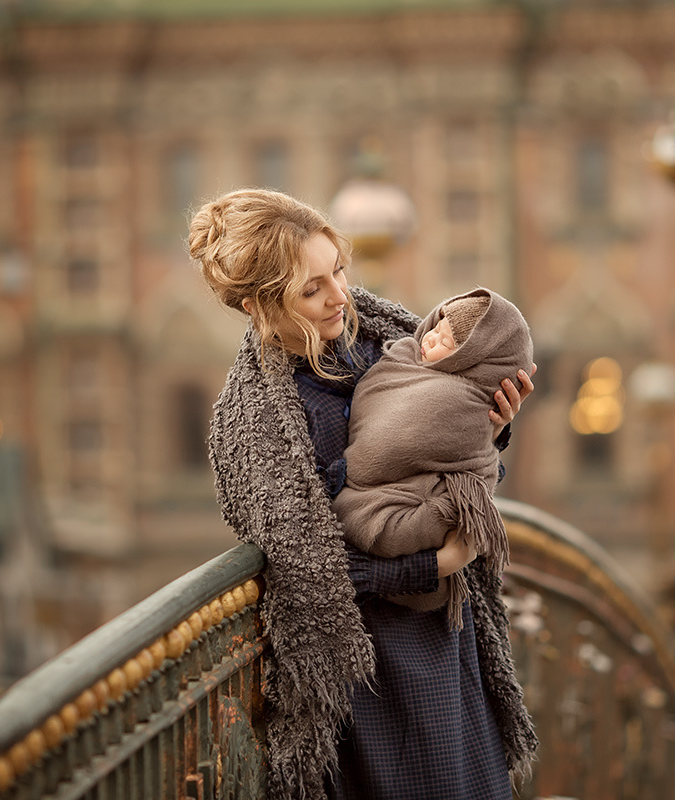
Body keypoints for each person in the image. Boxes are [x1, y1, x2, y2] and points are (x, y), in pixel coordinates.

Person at [189, 188, 537, 800]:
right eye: (311, 289)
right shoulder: (255, 425)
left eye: (338, 270)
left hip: (449, 631)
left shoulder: (392, 343)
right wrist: (434, 562)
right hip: (367, 662)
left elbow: (452, 477)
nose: (339, 296)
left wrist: (489, 435)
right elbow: (302, 573)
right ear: (255, 305)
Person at [332, 289, 534, 630]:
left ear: (472, 360)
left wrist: (492, 429)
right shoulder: (398, 355)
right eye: (435, 329)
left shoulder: (465, 400)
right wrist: (441, 563)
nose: (429, 339)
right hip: (370, 606)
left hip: (433, 609)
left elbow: (438, 447)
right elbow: (378, 447)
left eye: (446, 341)